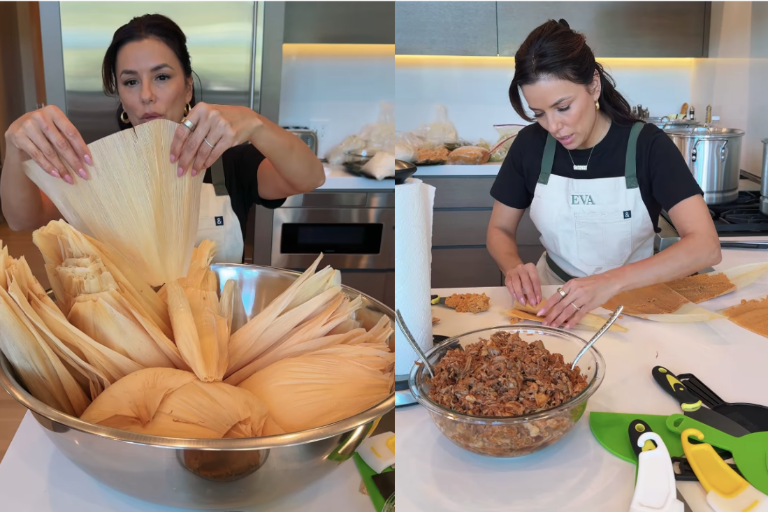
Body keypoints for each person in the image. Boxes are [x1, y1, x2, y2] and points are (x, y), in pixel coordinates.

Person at [1, 14, 325, 264]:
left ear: (187, 87)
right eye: (130, 82)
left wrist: (257, 125)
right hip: (128, 344)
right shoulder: (98, 165)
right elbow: (23, 220)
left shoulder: (228, 161)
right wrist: (15, 149)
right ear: (121, 96)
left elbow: (310, 177)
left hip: (213, 342)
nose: (145, 95)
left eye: (161, 77)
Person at [487, 19, 721, 329]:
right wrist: (513, 266)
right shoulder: (530, 145)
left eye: (563, 107)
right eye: (539, 114)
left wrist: (609, 282)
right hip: (553, 304)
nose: (553, 127)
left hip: (637, 301)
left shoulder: (647, 145)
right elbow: (499, 229)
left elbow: (705, 246)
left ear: (593, 85)